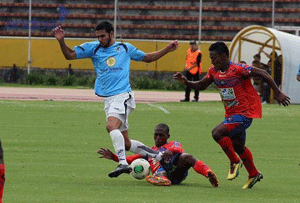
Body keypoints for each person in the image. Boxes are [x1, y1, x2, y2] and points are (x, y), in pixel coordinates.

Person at [53, 21, 179, 178]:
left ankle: (123, 163)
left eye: (103, 36)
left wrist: (167, 49)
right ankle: (159, 156)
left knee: (111, 126)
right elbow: (69, 55)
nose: (100, 39)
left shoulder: (125, 48)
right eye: (97, 36)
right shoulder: (93, 48)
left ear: (111, 34)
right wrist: (61, 41)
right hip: (109, 100)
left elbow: (147, 58)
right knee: (125, 143)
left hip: (122, 96)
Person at [174, 42, 290, 189]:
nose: (212, 61)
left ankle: (234, 162)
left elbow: (264, 73)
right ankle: (253, 174)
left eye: (214, 57)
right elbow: (202, 85)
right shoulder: (213, 71)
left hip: (244, 113)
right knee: (238, 145)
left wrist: (278, 92)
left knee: (217, 133)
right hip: (231, 114)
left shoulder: (238, 69)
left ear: (223, 56)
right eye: (210, 58)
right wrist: (186, 82)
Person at [98, 123, 219, 187]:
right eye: (156, 135)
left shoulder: (173, 144)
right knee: (157, 164)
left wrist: (170, 151)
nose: (158, 138)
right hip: (162, 172)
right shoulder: (149, 151)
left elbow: (178, 148)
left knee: (187, 157)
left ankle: (208, 173)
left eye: (161, 135)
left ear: (167, 136)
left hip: (177, 171)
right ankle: (162, 179)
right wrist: (114, 157)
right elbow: (131, 159)